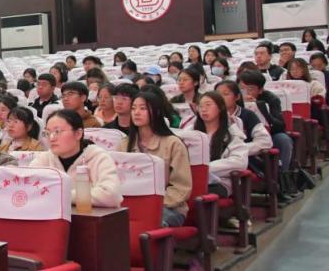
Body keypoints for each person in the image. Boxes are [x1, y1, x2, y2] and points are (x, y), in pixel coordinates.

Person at [126, 91, 192, 229]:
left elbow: (181, 187)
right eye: (133, 108)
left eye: (143, 108)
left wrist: (153, 203)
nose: (136, 112)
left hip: (168, 207)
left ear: (156, 112)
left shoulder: (173, 143)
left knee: (145, 223)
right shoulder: (125, 144)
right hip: (132, 205)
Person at [30, 109, 121, 207]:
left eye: (57, 131)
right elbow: (28, 188)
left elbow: (111, 195)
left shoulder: (98, 157)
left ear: (78, 134)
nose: (51, 138)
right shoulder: (44, 159)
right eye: (47, 133)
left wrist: (60, 195)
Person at [237, 70, 298, 188]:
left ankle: (282, 180)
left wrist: (261, 109)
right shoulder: (234, 98)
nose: (245, 93)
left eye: (250, 89)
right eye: (242, 88)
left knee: (283, 140)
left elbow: (280, 125)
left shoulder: (271, 99)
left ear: (260, 90)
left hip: (269, 134)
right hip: (243, 135)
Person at [192, 92, 248, 197]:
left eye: (208, 105)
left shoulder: (232, 135)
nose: (203, 109)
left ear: (220, 108)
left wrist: (204, 169)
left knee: (195, 192)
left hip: (220, 182)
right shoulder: (191, 133)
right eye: (200, 106)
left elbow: (239, 162)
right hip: (191, 180)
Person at [215, 80, 273, 169]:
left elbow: (265, 141)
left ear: (237, 97)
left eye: (225, 94)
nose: (220, 98)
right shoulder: (210, 116)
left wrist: (238, 150)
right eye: (217, 95)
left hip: (245, 161)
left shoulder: (248, 115)